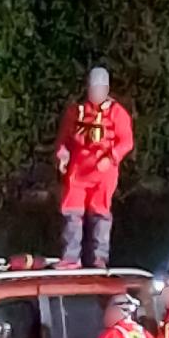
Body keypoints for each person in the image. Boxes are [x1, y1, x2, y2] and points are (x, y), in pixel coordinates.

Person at [55, 67, 134, 269]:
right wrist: (63, 156)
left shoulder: (117, 113)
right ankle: (71, 257)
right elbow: (64, 138)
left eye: (99, 89)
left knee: (100, 213)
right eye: (92, 89)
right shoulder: (77, 111)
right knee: (71, 211)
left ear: (106, 89)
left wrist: (112, 156)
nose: (95, 94)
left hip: (103, 171)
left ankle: (100, 257)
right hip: (78, 169)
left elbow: (126, 142)